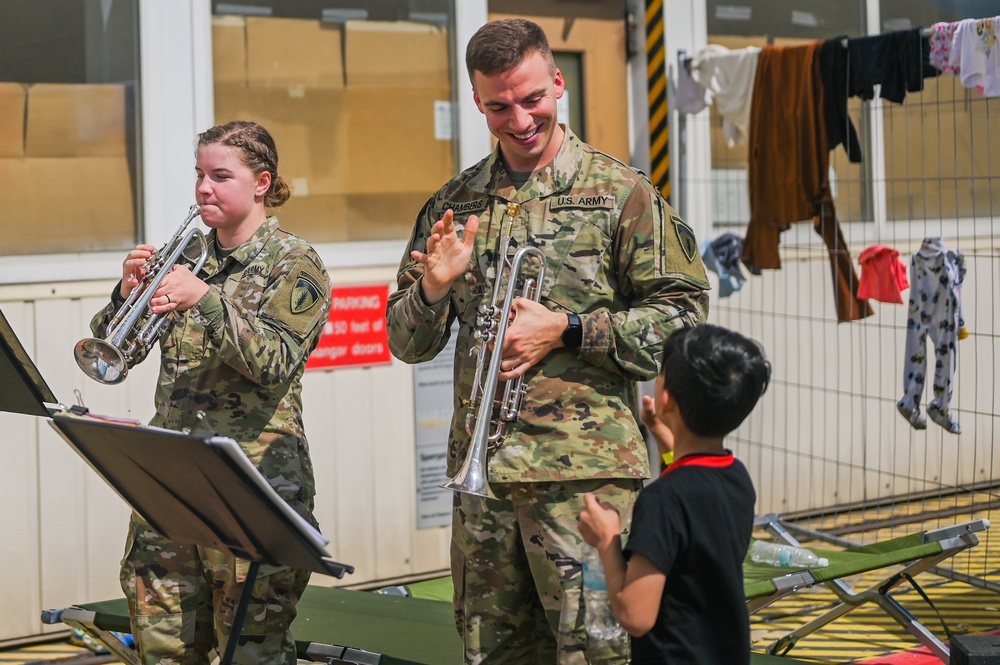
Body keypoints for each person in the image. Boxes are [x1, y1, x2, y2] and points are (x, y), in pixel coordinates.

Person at [385, 17, 710, 664]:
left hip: (584, 481)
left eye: (533, 98)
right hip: (485, 486)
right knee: (491, 652)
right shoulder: (454, 204)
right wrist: (433, 290)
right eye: (500, 106)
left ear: (558, 84)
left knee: (594, 653)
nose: (521, 118)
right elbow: (406, 340)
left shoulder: (623, 193)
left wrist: (569, 328)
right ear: (477, 103)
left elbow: (686, 317)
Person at [88, 120, 332, 665]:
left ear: (262, 182)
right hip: (171, 484)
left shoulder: (295, 264)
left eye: (221, 175)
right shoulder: (189, 257)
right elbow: (115, 354)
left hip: (251, 485)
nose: (204, 188)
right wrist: (126, 294)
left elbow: (274, 362)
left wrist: (206, 299)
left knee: (252, 652)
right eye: (200, 174)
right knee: (163, 646)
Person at [578, 324, 771, 665]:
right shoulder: (735, 476)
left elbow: (636, 617)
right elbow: (694, 487)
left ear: (665, 399)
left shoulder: (662, 500)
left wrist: (606, 541)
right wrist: (662, 433)